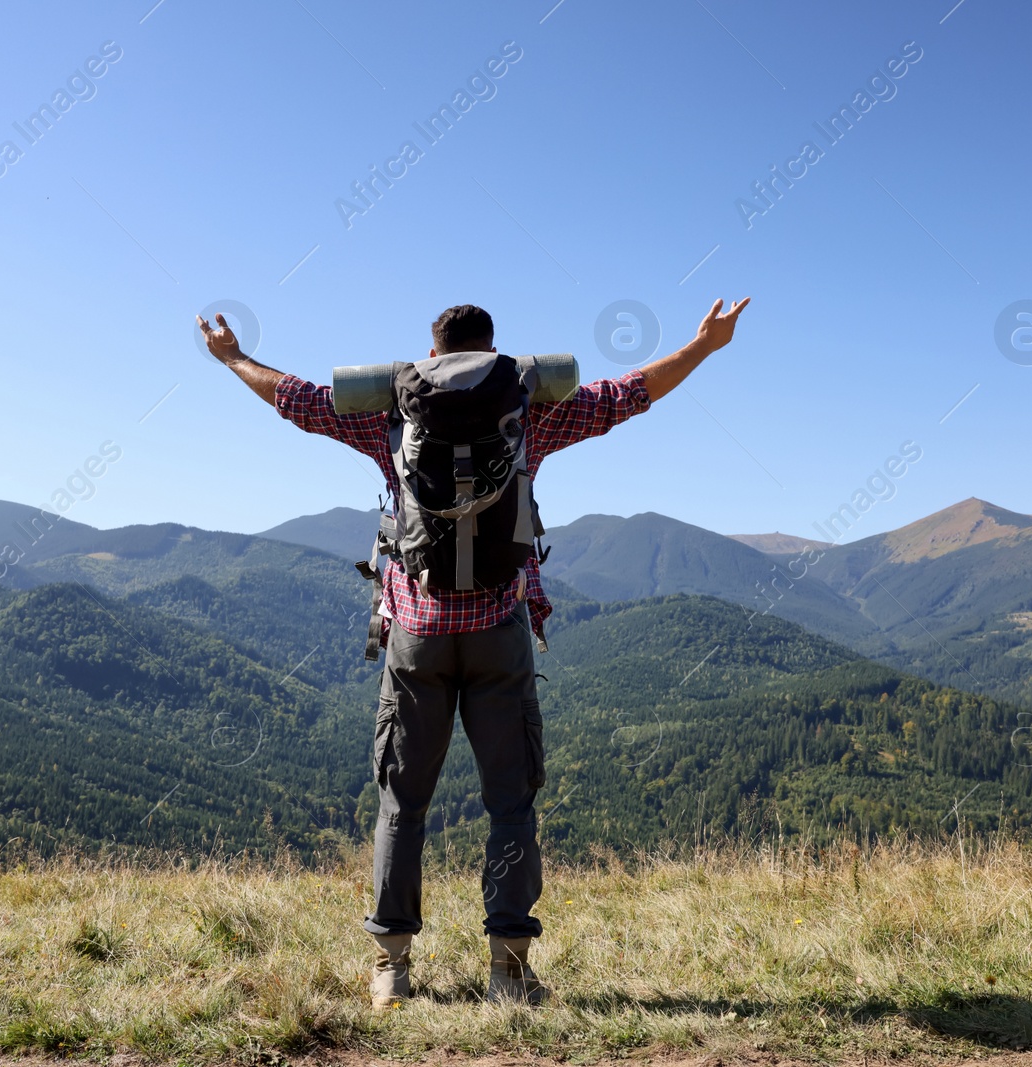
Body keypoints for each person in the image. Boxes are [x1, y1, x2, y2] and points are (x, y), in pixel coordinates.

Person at [199, 297, 750, 1008]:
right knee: (511, 805)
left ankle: (392, 968)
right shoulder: (528, 413)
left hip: (416, 636)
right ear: (496, 354)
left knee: (402, 804)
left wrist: (234, 358)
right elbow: (627, 396)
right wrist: (703, 345)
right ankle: (509, 971)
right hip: (499, 632)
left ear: (431, 356)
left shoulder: (389, 416)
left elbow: (299, 400)